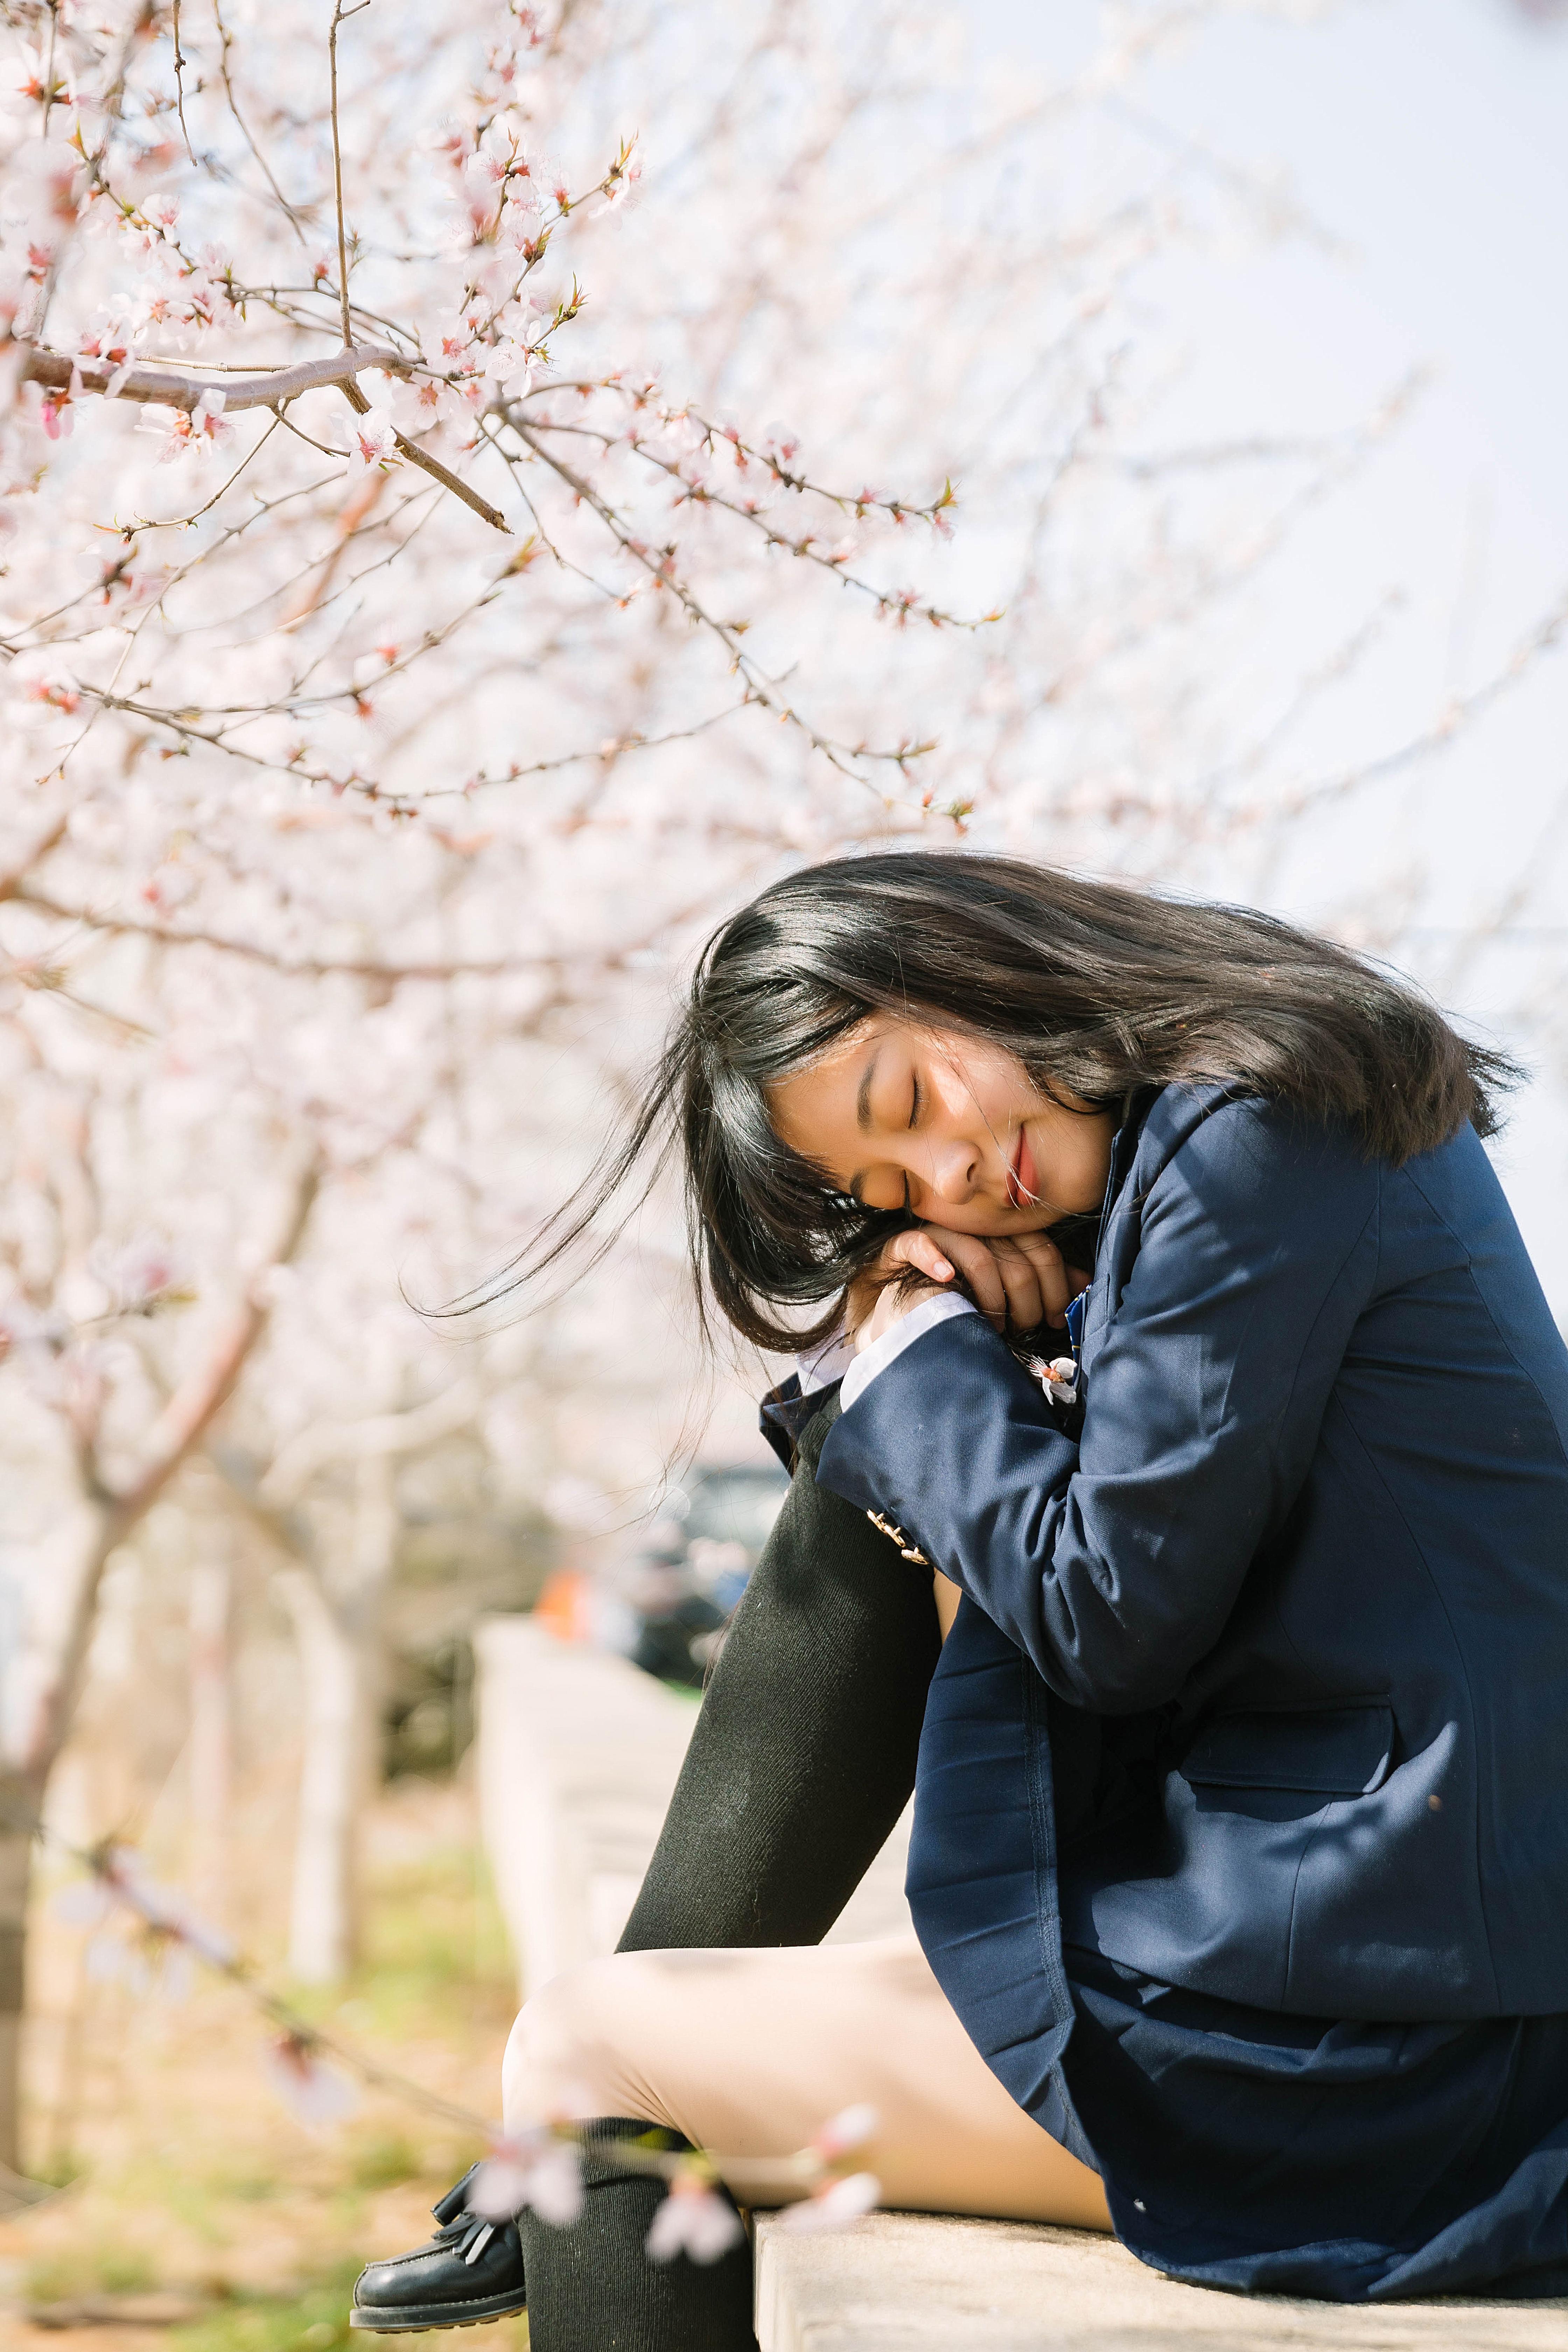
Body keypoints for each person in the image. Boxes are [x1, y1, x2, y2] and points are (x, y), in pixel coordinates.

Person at [351, 853, 1568, 2346]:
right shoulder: (1223, 1124)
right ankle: (581, 2103)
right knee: (872, 1481)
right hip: (1374, 1972)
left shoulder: (1253, 1135)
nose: (945, 1178)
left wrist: (923, 1356)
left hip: (1381, 2054)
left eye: (908, 1103)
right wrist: (929, 1362)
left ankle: (548, 2145)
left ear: (965, 962)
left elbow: (1102, 1617)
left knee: (595, 2053)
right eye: (889, 1188)